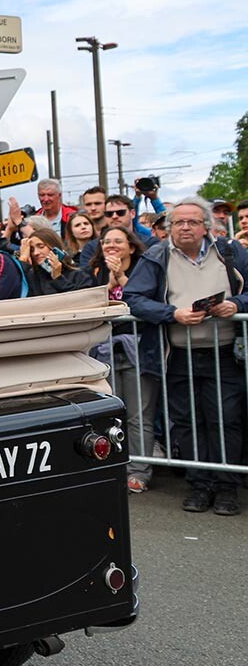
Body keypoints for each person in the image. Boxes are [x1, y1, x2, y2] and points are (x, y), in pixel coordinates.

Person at [124, 197, 248, 516]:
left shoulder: (231, 252)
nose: (185, 227)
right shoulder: (156, 255)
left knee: (225, 421)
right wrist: (172, 313)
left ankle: (226, 488)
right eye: (178, 222)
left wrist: (237, 305)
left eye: (192, 221)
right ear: (169, 228)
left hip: (225, 354)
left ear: (207, 226)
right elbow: (134, 299)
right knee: (186, 422)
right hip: (177, 354)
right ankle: (198, 484)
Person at [87, 226, 154, 493]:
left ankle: (139, 471)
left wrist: (122, 277)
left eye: (117, 241)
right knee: (112, 414)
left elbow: (141, 303)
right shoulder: (95, 270)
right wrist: (109, 283)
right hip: (105, 352)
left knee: (139, 415)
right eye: (106, 241)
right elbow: (91, 304)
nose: (111, 246)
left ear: (131, 246)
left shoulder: (143, 268)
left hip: (136, 349)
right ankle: (114, 466)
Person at [16, 228, 92, 296]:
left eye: (41, 246)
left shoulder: (79, 273)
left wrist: (58, 278)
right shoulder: (32, 277)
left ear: (54, 247)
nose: (36, 253)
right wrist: (23, 260)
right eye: (32, 250)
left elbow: (83, 299)